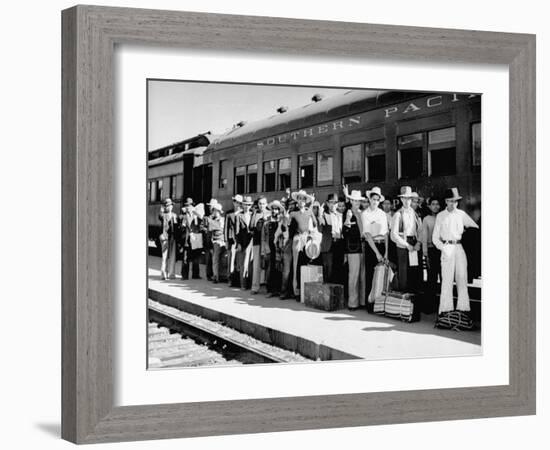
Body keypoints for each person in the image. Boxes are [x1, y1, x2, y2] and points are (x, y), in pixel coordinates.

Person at [432, 187, 480, 314]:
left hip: (459, 248)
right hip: (447, 247)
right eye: (450, 201)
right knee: (446, 280)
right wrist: (443, 248)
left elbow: (475, 227)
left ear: (457, 202)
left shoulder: (461, 214)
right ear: (446, 201)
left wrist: (465, 234)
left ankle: (463, 309)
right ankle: (445, 310)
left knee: (462, 278)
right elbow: (435, 238)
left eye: (455, 201)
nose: (452, 203)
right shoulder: (441, 216)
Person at [391, 186, 423, 293]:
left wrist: (418, 242)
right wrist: (406, 245)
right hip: (403, 245)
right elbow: (394, 235)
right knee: (403, 273)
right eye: (404, 198)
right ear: (401, 199)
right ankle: (403, 301)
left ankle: (414, 302)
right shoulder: (398, 214)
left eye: (409, 198)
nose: (407, 201)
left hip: (414, 243)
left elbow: (420, 230)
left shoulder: (415, 213)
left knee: (414, 271)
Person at [361, 187, 389, 311]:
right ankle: (370, 304)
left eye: (377, 200)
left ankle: (380, 303)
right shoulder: (365, 214)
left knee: (382, 274)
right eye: (373, 199)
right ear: (369, 199)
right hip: (371, 246)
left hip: (382, 244)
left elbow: (386, 233)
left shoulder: (382, 214)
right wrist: (377, 253)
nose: (375, 202)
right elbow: (367, 234)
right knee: (370, 274)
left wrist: (386, 252)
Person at [289, 190, 316, 300]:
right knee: (296, 265)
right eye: (299, 199)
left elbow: (314, 224)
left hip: (307, 239)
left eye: (304, 199)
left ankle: (305, 291)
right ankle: (296, 291)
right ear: (297, 201)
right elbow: (287, 225)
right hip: (297, 238)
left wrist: (312, 203)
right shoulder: (293, 213)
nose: (302, 201)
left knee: (306, 264)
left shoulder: (309, 212)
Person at [342, 188, 366, 310]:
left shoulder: (362, 213)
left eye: (358, 201)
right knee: (354, 275)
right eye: (355, 201)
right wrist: (347, 222)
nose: (357, 203)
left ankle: (362, 301)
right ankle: (352, 302)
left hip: (363, 246)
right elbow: (344, 232)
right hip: (353, 247)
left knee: (362, 275)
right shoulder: (348, 213)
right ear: (351, 201)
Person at [421, 197, 442, 314]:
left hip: (442, 250)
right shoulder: (426, 219)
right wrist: (425, 252)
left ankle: (442, 306)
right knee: (431, 278)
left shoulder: (443, 216)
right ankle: (429, 306)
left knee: (444, 277)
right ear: (429, 206)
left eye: (437, 204)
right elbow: (424, 236)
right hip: (431, 250)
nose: (435, 206)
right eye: (433, 204)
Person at [317, 193, 343, 283]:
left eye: (335, 202)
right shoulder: (323, 214)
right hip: (328, 245)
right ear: (327, 203)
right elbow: (321, 226)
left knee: (338, 269)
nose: (333, 205)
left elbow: (341, 230)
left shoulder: (340, 215)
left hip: (338, 244)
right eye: (331, 202)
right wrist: (320, 215)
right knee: (328, 270)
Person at [261, 200, 284, 297]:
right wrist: (265, 249)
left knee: (279, 268)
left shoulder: (281, 221)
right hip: (270, 247)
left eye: (276, 209)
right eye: (273, 209)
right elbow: (263, 237)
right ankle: (270, 290)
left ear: (279, 210)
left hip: (279, 248)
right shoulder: (267, 222)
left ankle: (278, 290)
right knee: (270, 269)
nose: (274, 211)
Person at [249, 196, 270, 294]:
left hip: (267, 242)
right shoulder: (254, 214)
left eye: (263, 203)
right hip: (257, 242)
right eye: (260, 203)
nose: (262, 205)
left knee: (268, 264)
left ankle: (267, 286)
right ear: (258, 204)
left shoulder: (270, 213)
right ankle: (255, 287)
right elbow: (251, 228)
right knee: (256, 265)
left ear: (266, 204)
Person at [179, 199, 204, 279]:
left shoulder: (196, 214)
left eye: (189, 205)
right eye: (187, 205)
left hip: (195, 238)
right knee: (185, 257)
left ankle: (195, 274)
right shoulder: (184, 216)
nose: (188, 207)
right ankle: (184, 275)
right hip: (187, 238)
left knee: (196, 256)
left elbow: (201, 220)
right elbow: (182, 228)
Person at [235, 195, 254, 290]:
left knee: (250, 263)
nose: (247, 207)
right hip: (242, 241)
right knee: (243, 263)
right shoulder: (239, 216)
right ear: (242, 205)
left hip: (251, 241)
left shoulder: (253, 214)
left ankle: (250, 284)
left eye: (249, 205)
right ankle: (243, 284)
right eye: (245, 205)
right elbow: (237, 231)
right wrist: (238, 243)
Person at [224, 194, 243, 287]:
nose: (237, 204)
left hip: (240, 240)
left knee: (239, 260)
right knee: (231, 260)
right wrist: (226, 240)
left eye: (239, 202)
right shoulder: (229, 213)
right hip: (232, 240)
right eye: (235, 202)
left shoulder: (243, 213)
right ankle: (230, 279)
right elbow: (226, 228)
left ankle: (239, 280)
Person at [158, 198, 178, 280]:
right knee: (166, 256)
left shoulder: (174, 215)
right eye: (169, 205)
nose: (170, 207)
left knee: (170, 256)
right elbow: (160, 215)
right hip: (165, 237)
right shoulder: (163, 215)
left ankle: (169, 274)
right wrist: (161, 209)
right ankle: (166, 274)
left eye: (170, 205)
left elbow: (176, 227)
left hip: (172, 237)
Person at [207, 200, 226, 283]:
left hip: (222, 241)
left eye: (214, 210)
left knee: (220, 260)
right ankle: (216, 276)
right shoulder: (214, 220)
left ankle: (220, 276)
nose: (213, 212)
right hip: (216, 241)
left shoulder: (218, 220)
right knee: (215, 260)